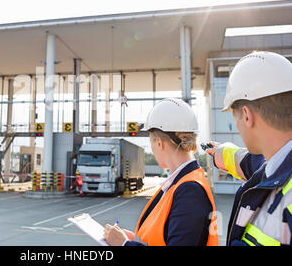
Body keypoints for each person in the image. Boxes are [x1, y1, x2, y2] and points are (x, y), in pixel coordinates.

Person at [104, 98, 219, 246]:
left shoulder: (190, 191)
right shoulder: (178, 184)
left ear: (159, 143)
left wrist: (124, 245)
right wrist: (133, 240)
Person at [205, 51, 292, 246]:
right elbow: (253, 163)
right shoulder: (277, 166)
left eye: (234, 117)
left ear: (246, 115)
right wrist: (221, 152)